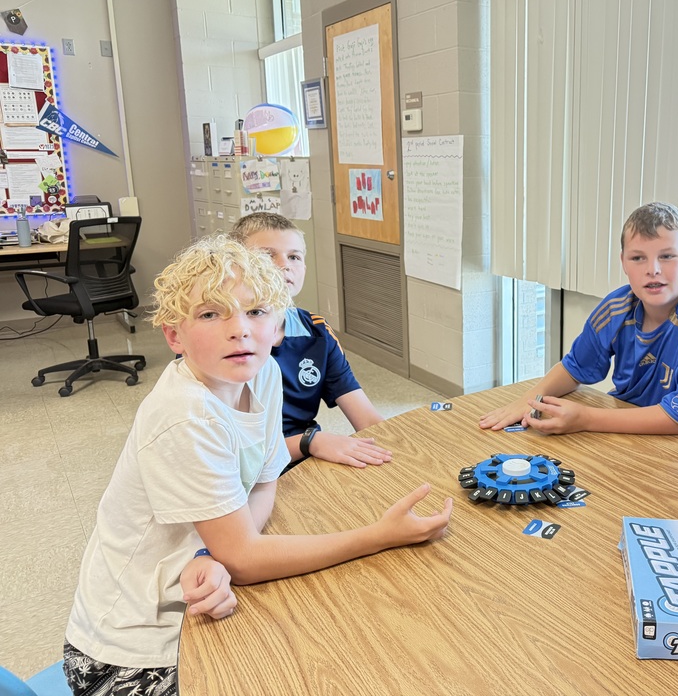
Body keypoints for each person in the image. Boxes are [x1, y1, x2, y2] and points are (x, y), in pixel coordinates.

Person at [63, 234, 453, 695]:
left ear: (279, 328)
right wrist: (379, 536)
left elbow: (264, 484)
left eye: (256, 312)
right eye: (211, 313)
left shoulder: (262, 374)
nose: (239, 329)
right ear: (174, 335)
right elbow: (245, 558)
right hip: (127, 653)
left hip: (202, 591)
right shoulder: (185, 414)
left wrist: (214, 553)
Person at [480, 202, 678, 435]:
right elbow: (575, 368)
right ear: (623, 263)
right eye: (638, 258)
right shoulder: (616, 306)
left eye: (667, 256)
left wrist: (586, 418)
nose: (653, 269)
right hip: (622, 428)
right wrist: (529, 400)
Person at [230, 212, 390, 470]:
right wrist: (310, 442)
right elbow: (229, 453)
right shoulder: (219, 336)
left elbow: (367, 418)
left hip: (306, 455)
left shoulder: (316, 331)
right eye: (267, 255)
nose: (284, 265)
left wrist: (405, 447)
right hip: (245, 472)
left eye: (294, 256)